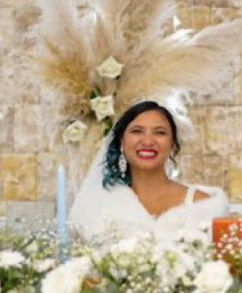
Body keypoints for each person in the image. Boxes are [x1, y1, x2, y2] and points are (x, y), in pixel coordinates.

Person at [69, 101, 228, 242]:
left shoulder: (202, 203)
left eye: (159, 132)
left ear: (172, 145)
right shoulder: (100, 204)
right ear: (121, 142)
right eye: (137, 131)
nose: (147, 141)